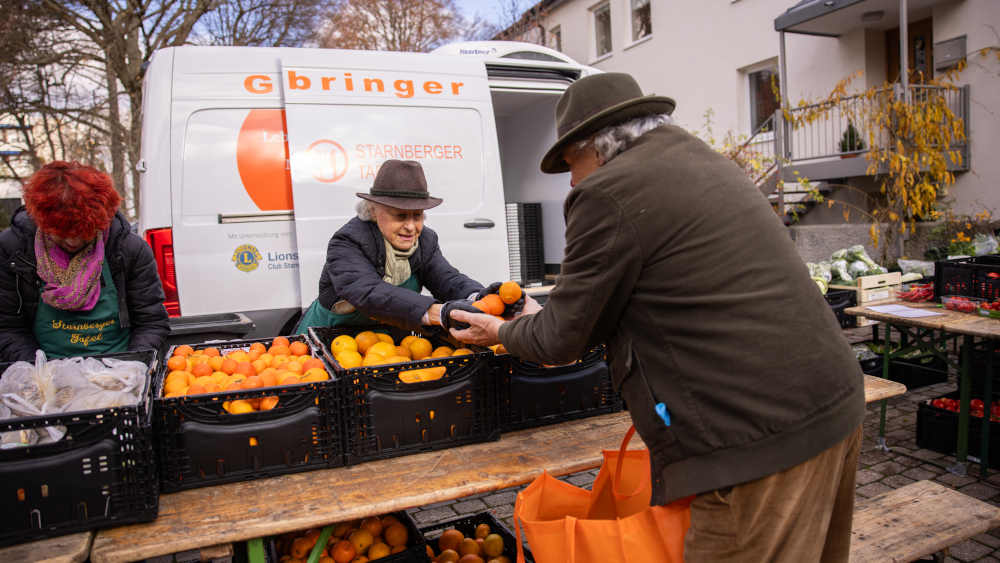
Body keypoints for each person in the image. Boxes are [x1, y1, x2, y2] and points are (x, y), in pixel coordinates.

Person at [448, 73, 866, 562]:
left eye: (570, 163)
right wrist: (549, 315)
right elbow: (662, 287)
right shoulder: (704, 162)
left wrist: (500, 330)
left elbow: (562, 341)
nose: (572, 180)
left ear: (598, 146)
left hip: (757, 441)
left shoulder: (608, 191)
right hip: (832, 401)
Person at [0, 161, 169, 362]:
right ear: (42, 221)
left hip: (118, 371)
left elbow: (151, 323)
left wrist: (130, 367)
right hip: (46, 375)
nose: (73, 241)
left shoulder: (129, 250)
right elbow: (8, 328)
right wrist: (40, 374)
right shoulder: (14, 251)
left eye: (83, 233)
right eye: (62, 234)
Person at [296, 159, 488, 333]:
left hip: (385, 341)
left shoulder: (426, 241)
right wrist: (436, 312)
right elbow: (368, 291)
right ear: (373, 211)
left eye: (417, 215)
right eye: (400, 216)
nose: (411, 227)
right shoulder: (348, 241)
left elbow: (447, 279)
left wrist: (480, 298)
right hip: (332, 336)